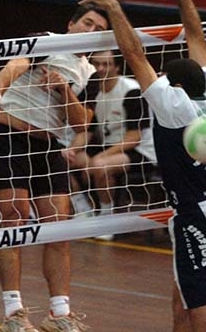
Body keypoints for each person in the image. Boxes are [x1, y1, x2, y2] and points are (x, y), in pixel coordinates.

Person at [78, 0, 206, 332]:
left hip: (197, 218)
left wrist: (113, 8)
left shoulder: (173, 107)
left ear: (172, 86)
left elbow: (134, 53)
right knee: (181, 308)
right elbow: (195, 37)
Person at [0, 3, 109, 332]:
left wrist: (63, 89)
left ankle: (59, 314)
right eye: (87, 23)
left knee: (59, 229)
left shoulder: (89, 72)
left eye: (98, 29)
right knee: (13, 218)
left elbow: (81, 124)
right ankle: (13, 313)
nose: (90, 32)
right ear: (71, 25)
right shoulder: (47, 41)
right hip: (11, 138)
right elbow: (15, 64)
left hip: (49, 148)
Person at [66, 49, 156, 239]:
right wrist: (71, 150)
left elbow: (134, 137)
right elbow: (87, 131)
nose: (100, 68)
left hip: (141, 150)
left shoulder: (131, 91)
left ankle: (107, 220)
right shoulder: (92, 91)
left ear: (116, 67)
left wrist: (101, 157)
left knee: (100, 165)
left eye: (106, 64)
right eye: (97, 64)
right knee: (61, 160)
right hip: (108, 146)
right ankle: (83, 209)